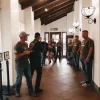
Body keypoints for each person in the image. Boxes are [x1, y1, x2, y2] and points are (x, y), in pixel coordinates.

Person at [14, 31, 36, 97]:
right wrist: (25, 53)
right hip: (19, 65)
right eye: (26, 36)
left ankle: (31, 91)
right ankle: (17, 91)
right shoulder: (17, 45)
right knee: (19, 79)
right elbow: (17, 56)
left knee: (29, 78)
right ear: (23, 37)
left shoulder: (26, 44)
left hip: (26, 64)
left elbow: (26, 51)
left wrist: (30, 50)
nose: (27, 37)